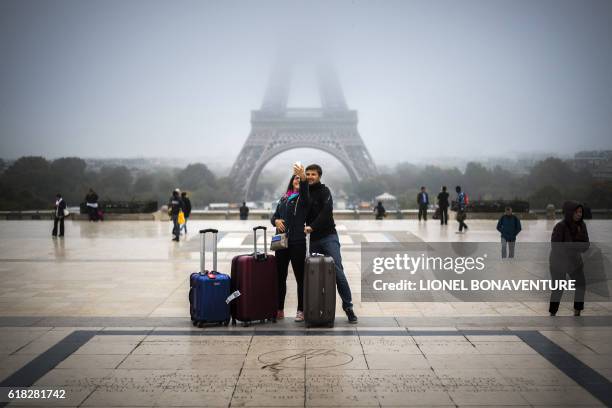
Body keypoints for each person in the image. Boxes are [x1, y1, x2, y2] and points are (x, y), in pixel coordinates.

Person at [302, 163, 358, 323]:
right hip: (313, 240)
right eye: (308, 174)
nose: (310, 176)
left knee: (337, 271)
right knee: (314, 276)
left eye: (313, 174)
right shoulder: (303, 193)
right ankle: (317, 309)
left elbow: (326, 213)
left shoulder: (325, 191)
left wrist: (312, 226)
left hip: (328, 237)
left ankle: (348, 307)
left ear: (319, 176)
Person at [271, 168, 309, 322]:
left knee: (301, 278)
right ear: (291, 181)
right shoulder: (283, 199)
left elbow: (305, 191)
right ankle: (279, 309)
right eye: (295, 179)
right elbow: (274, 216)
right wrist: (276, 221)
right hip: (281, 241)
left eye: (300, 179)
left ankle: (301, 310)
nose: (297, 181)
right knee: (280, 277)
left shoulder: (304, 198)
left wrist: (303, 176)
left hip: (297, 241)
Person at [549, 201, 589, 317]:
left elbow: (586, 245)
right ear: (569, 212)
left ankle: (577, 311)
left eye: (580, 212)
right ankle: (553, 312)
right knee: (558, 288)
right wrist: (575, 246)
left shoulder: (582, 225)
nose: (579, 214)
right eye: (576, 212)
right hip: (558, 262)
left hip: (575, 261)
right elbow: (556, 246)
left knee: (581, 285)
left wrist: (572, 246)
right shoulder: (560, 226)